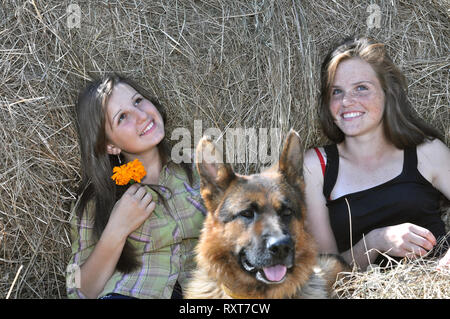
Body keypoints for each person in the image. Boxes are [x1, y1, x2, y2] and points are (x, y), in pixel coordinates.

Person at [303, 37, 450, 271]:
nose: (347, 101)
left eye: (361, 88)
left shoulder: (427, 151)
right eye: (336, 92)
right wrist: (376, 241)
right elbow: (324, 274)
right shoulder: (316, 166)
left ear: (387, 92)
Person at [67, 74, 206, 298]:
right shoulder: (97, 199)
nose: (141, 116)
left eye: (138, 101)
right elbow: (79, 291)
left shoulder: (199, 166)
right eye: (122, 117)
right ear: (109, 145)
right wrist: (117, 229)